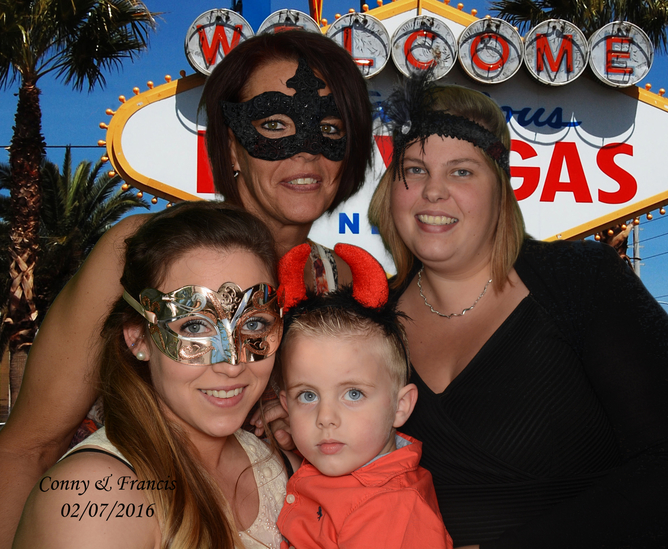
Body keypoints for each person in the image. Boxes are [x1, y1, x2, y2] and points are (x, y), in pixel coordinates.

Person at [0, 31, 373, 549]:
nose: (306, 153)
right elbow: (28, 447)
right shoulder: (137, 251)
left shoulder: (340, 283)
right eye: (273, 125)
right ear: (232, 145)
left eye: (329, 129)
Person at [367, 75, 668, 549]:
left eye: (462, 171)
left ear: (500, 188)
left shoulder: (583, 280)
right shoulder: (368, 322)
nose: (434, 191)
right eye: (415, 169)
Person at [13, 202, 288, 548]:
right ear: (138, 338)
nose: (231, 364)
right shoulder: (96, 500)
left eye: (255, 323)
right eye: (194, 326)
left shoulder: (278, 465)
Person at [272, 243, 452, 549]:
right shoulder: (342, 459)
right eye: (308, 396)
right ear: (286, 407)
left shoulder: (390, 511)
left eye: (353, 394)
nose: (326, 418)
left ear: (400, 406)